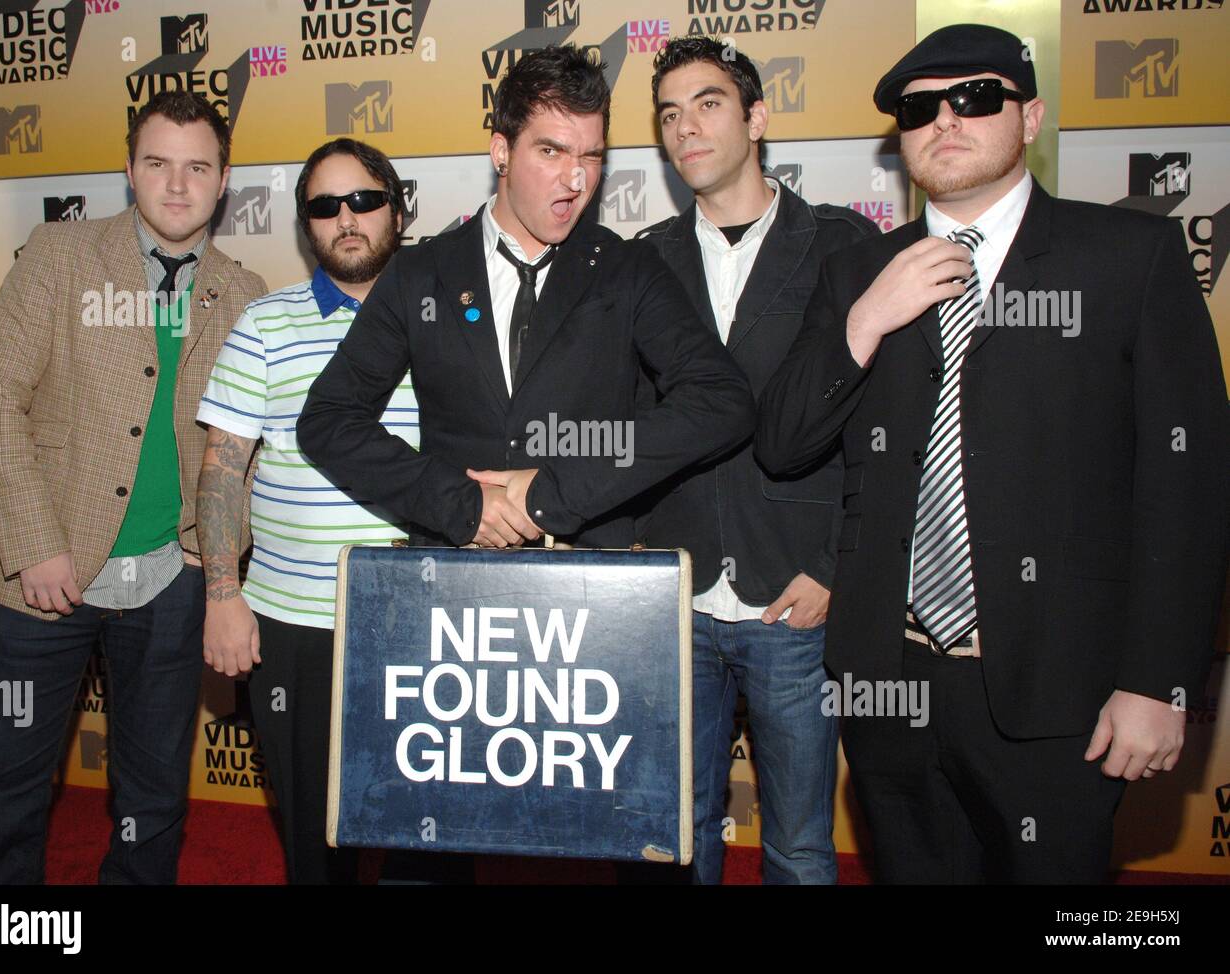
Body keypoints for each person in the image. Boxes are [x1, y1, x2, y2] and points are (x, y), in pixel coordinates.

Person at [755, 24, 1228, 883]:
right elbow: (784, 444)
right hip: (887, 684)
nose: (946, 119)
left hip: (1062, 693)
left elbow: (1188, 488)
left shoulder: (1129, 256)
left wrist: (1160, 682)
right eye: (920, 107)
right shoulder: (858, 270)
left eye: (975, 97)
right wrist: (867, 318)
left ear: (1031, 115)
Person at [0, 91, 267, 884]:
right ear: (129, 170)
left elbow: (245, 451)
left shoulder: (244, 292)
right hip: (40, 577)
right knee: (10, 787)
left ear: (223, 179)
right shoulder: (60, 256)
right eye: (158, 163)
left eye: (197, 167)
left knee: (155, 790)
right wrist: (34, 543)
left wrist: (220, 567)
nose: (176, 185)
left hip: (175, 579)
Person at [298, 45, 754, 554]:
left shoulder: (629, 269)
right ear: (501, 153)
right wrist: (460, 505)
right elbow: (328, 420)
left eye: (591, 156)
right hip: (451, 586)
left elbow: (721, 401)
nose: (576, 179)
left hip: (591, 589)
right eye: (552, 151)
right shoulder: (421, 273)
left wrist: (553, 494)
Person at [637, 36, 876, 885]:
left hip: (795, 602)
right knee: (677, 833)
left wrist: (834, 564)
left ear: (757, 118)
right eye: (669, 114)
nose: (685, 128)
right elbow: (629, 428)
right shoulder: (642, 258)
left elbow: (879, 428)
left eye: (706, 104)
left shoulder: (843, 247)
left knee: (802, 845)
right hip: (675, 598)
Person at [195, 138, 411, 884]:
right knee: (313, 842)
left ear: (398, 208)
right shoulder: (264, 323)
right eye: (324, 206)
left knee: (426, 830)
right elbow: (222, 469)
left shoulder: (451, 320)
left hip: (424, 623)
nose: (346, 218)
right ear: (306, 226)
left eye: (364, 200)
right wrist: (223, 594)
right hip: (294, 626)